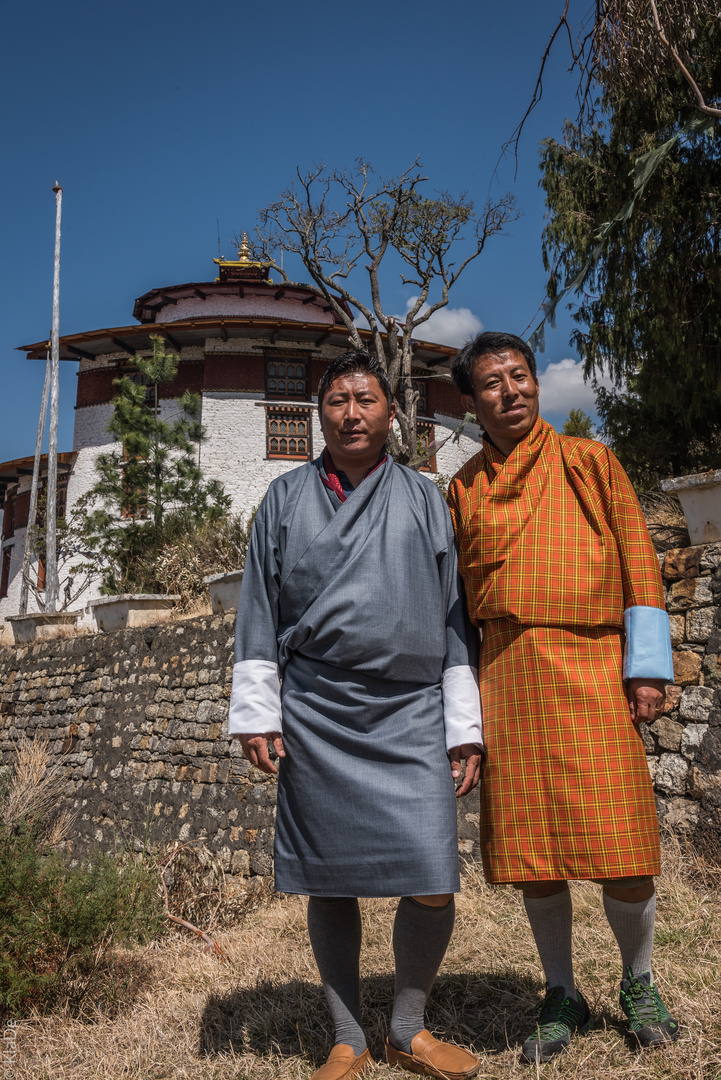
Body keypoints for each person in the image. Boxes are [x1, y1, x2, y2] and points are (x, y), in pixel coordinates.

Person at [228, 349, 483, 1080]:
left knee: (432, 873)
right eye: (336, 400)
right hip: (316, 711)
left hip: (409, 708)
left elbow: (452, 613)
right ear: (320, 414)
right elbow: (257, 608)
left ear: (390, 412)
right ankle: (348, 1036)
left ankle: (409, 1026)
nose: (350, 412)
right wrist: (258, 712)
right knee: (329, 876)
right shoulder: (283, 498)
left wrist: (462, 724)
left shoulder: (423, 497)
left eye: (364, 399)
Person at [446, 331, 679, 1064]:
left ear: (534, 385)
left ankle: (638, 981)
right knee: (531, 850)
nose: (510, 391)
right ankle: (559, 990)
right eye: (492, 383)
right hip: (507, 674)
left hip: (590, 664)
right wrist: (462, 715)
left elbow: (639, 563)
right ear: (470, 399)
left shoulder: (590, 462)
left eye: (519, 376)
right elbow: (455, 604)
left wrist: (645, 669)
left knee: (623, 842)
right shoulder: (464, 487)